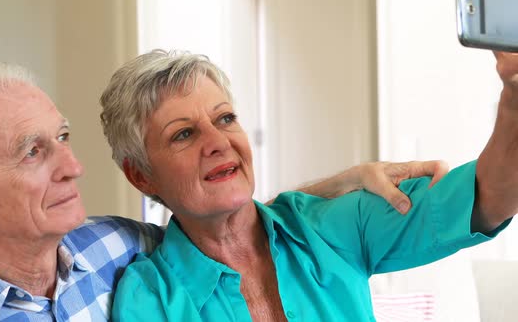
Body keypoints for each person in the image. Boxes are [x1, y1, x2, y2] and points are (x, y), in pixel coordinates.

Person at [0, 62, 442, 321]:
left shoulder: (110, 248)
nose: (74, 167)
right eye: (32, 152)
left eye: (62, 138)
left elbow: (220, 222)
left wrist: (336, 184)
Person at [102, 50, 518, 321]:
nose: (218, 142)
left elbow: (490, 196)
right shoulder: (150, 298)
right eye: (183, 134)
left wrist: (513, 101)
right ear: (141, 175)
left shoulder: (327, 226)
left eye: (225, 118)